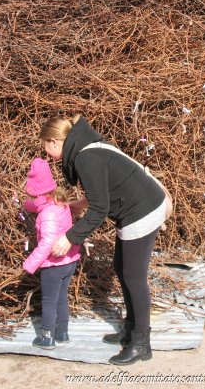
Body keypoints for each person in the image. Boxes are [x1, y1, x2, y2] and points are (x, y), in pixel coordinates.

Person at [40, 115, 166, 365]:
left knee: (134, 277)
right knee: (122, 268)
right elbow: (105, 186)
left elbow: (99, 209)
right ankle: (131, 328)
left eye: (45, 146)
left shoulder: (86, 157)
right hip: (136, 205)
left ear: (54, 142)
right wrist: (79, 204)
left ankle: (142, 343)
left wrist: (69, 238)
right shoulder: (85, 146)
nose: (45, 152)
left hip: (142, 209)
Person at [22, 158, 80, 350]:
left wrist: (30, 264)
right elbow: (37, 204)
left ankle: (47, 336)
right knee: (62, 297)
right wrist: (25, 203)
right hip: (70, 261)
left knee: (49, 301)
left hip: (53, 264)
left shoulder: (46, 214)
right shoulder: (60, 203)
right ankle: (62, 333)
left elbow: (47, 242)